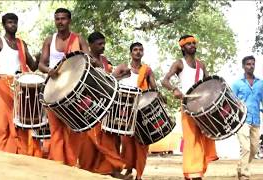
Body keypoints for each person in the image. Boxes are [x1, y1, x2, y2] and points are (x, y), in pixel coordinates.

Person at [0, 13, 39, 155]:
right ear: (4, 25)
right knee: (2, 123)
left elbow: (33, 66)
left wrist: (40, 57)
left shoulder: (21, 44)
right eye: (10, 22)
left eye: (15, 22)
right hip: (3, 84)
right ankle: (3, 155)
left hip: (20, 86)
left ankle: (23, 155)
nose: (13, 25)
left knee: (21, 122)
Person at [161, 35, 218, 179]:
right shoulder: (179, 63)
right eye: (189, 44)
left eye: (194, 43)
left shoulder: (202, 65)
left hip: (203, 107)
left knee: (205, 137)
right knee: (191, 138)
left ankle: (198, 170)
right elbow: (165, 81)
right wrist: (174, 89)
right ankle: (192, 172)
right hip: (187, 105)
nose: (192, 45)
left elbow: (208, 83)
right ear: (182, 47)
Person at [38, 8, 90, 166]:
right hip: (54, 89)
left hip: (75, 90)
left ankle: (72, 164)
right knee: (56, 128)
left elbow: (88, 60)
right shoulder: (49, 40)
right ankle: (58, 164)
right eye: (57, 19)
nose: (60, 22)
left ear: (69, 20)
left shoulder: (79, 39)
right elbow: (41, 64)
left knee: (74, 127)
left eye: (63, 19)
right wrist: (49, 71)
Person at [77, 32, 129, 179]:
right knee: (89, 141)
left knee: (108, 138)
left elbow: (109, 82)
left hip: (105, 106)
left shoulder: (105, 61)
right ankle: (87, 170)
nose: (103, 46)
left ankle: (110, 169)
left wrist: (122, 75)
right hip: (88, 105)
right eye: (99, 44)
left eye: (103, 43)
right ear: (90, 45)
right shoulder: (85, 60)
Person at [112, 42, 157, 180]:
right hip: (124, 108)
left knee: (142, 142)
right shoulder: (123, 67)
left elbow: (154, 89)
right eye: (135, 50)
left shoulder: (147, 70)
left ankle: (139, 174)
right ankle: (128, 169)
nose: (138, 52)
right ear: (131, 53)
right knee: (126, 141)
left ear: (143, 53)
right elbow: (110, 81)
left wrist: (159, 95)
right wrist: (122, 76)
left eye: (140, 50)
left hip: (141, 109)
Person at [231, 55, 263, 180]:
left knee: (254, 149)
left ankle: (241, 167)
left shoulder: (260, 83)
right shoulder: (237, 84)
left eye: (253, 64)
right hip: (242, 120)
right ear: (243, 66)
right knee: (245, 147)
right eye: (248, 64)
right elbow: (232, 101)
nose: (251, 66)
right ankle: (245, 175)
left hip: (256, 120)